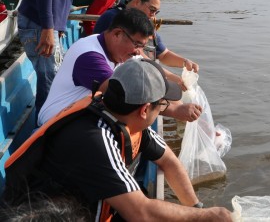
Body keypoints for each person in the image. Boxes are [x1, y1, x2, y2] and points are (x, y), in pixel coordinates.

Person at [3, 58, 233, 221]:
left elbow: (169, 161)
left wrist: (197, 208)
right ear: (144, 110)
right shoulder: (95, 138)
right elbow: (141, 213)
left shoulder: (120, 116)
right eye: (162, 105)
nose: (163, 108)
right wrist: (208, 216)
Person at [38, 8, 202, 127]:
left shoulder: (118, 49)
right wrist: (174, 110)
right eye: (137, 44)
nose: (138, 51)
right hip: (55, 123)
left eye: (142, 46)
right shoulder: (90, 57)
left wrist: (179, 102)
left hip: (81, 114)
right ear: (117, 34)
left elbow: (150, 78)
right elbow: (121, 100)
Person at [94, 0, 199, 90]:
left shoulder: (145, 24)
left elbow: (163, 54)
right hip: (118, 79)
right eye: (152, 10)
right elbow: (136, 57)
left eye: (156, 12)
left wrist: (185, 62)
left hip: (144, 74)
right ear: (137, 2)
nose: (153, 16)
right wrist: (169, 77)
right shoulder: (114, 20)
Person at [17, 0, 80, 118]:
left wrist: (57, 25)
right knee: (50, 80)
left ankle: (45, 126)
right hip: (39, 22)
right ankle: (44, 129)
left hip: (46, 22)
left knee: (50, 77)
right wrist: (48, 26)